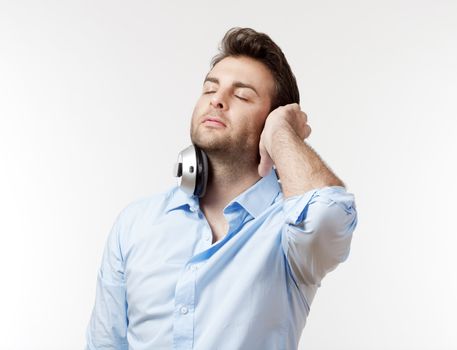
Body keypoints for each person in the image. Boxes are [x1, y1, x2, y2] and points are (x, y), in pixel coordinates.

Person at [86, 27, 358, 350]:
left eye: (242, 95)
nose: (217, 99)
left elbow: (330, 214)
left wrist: (283, 134)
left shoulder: (289, 232)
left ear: (270, 120)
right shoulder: (135, 223)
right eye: (209, 89)